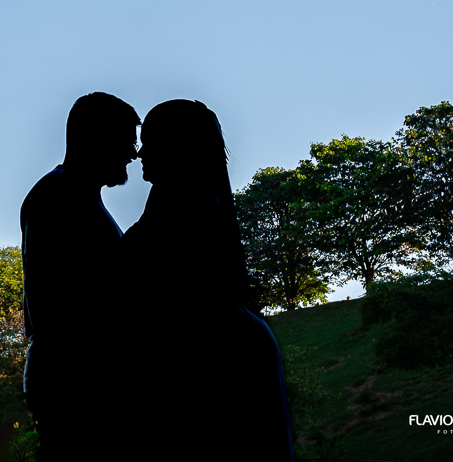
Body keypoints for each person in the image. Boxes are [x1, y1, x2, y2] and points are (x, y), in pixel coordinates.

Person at [123, 99, 295, 461]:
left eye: (150, 141)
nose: (139, 153)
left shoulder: (182, 203)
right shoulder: (188, 200)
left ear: (175, 146)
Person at [20, 92, 139, 462]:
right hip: (77, 389)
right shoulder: (59, 195)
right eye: (126, 141)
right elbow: (52, 304)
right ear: (96, 138)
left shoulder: (73, 195)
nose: (134, 153)